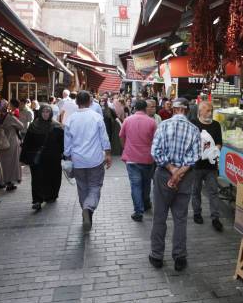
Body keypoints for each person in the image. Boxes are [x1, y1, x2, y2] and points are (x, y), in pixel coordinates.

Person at [149, 98, 201, 271]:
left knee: (159, 217)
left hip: (164, 174)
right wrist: (179, 173)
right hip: (185, 177)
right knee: (180, 218)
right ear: (186, 111)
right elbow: (194, 158)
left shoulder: (163, 126)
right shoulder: (194, 130)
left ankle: (156, 256)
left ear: (175, 109)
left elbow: (155, 152)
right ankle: (179, 257)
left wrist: (172, 171)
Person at [64, 91, 112, 231]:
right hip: (95, 160)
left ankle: (86, 211)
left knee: (82, 187)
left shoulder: (70, 119)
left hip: (77, 160)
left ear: (77, 102)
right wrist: (108, 154)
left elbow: (67, 142)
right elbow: (104, 138)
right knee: (95, 186)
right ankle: (88, 208)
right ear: (90, 102)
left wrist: (67, 157)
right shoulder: (96, 117)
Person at [20, 104, 64, 211]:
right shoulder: (33, 126)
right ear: (40, 113)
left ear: (51, 113)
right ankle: (37, 200)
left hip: (53, 158)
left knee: (52, 177)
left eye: (47, 112)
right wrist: (24, 157)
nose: (45, 114)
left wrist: (63, 154)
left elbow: (62, 143)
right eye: (43, 112)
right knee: (37, 179)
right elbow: (27, 143)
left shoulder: (57, 127)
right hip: (37, 158)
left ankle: (51, 196)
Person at [119, 100, 157, 222]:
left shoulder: (127, 120)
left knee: (135, 185)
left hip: (131, 158)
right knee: (146, 184)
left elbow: (121, 136)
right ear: (146, 109)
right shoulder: (152, 122)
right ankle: (146, 203)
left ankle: (138, 211)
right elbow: (156, 140)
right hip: (147, 158)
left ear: (135, 108)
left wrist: (125, 148)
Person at [190, 101, 224, 232]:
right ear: (200, 111)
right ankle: (197, 213)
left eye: (211, 110)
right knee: (195, 191)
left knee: (213, 192)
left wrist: (213, 151)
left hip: (211, 165)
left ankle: (215, 218)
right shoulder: (193, 124)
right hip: (196, 165)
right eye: (208, 110)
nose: (210, 113)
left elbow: (220, 143)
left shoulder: (216, 125)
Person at [0, 99, 24, 191]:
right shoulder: (9, 117)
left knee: (0, 163)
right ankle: (9, 183)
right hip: (10, 142)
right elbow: (21, 126)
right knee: (10, 163)